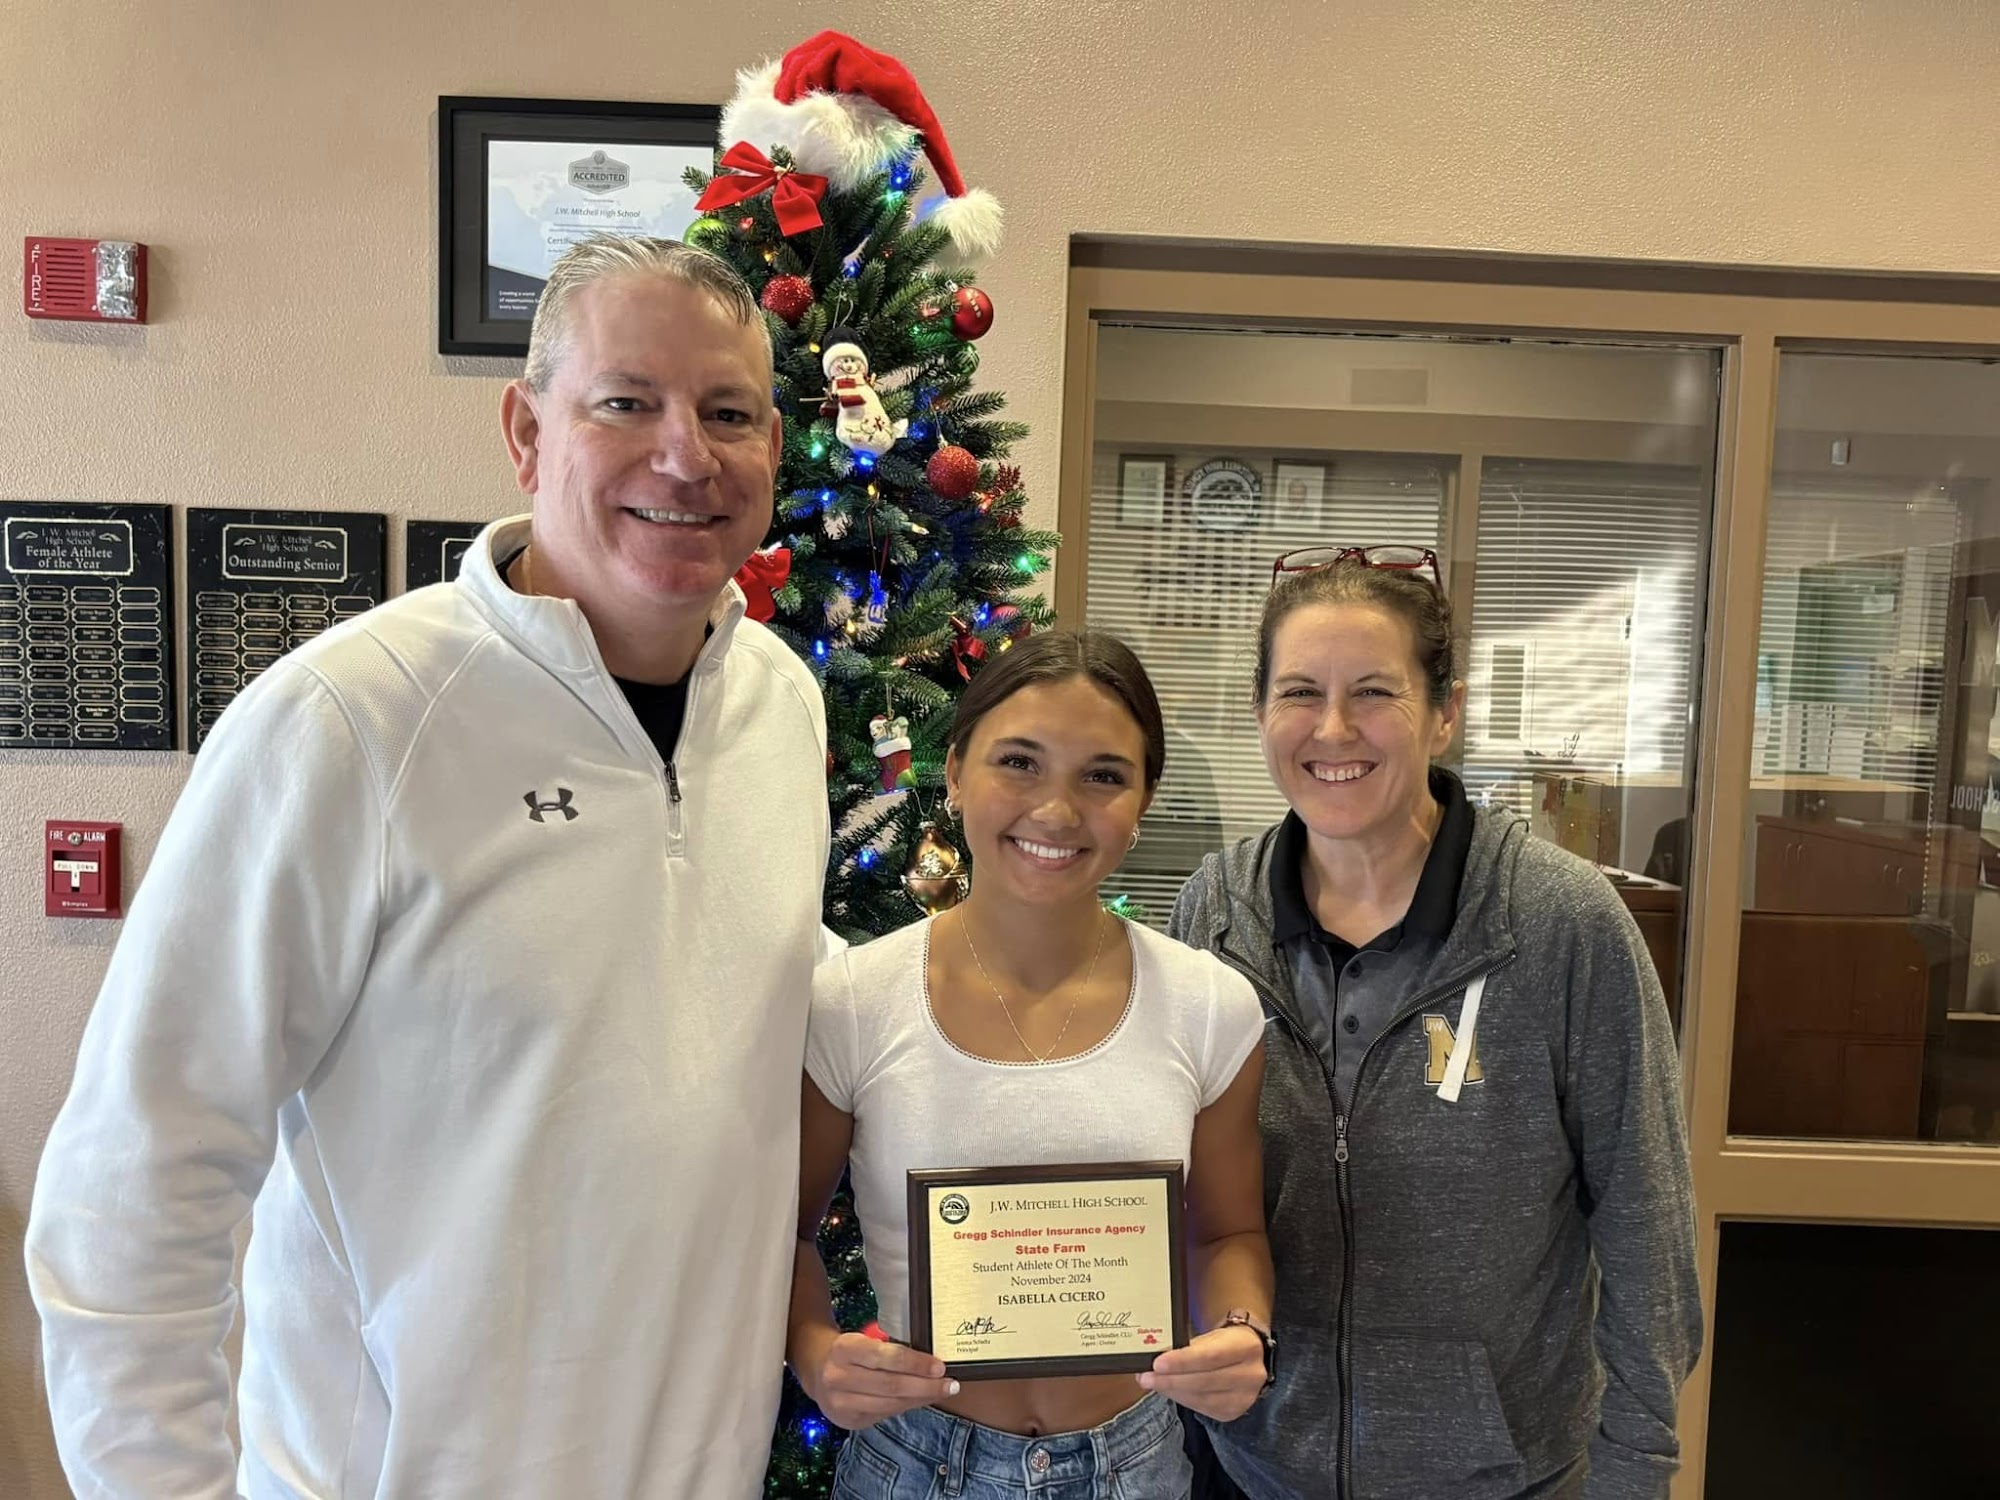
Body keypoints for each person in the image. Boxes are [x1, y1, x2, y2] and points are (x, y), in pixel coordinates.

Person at [25, 235, 832, 1500]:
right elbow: (138, 1172)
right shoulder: (348, 721)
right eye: (626, 402)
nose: (685, 455)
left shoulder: (781, 707)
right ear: (527, 432)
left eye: (726, 413)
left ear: (773, 449)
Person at [1171, 547, 1702, 1500]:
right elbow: (1175, 1188)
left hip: (1501, 1474)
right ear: (1260, 711)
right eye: (1299, 692)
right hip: (1252, 1466)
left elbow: (1646, 1226)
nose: (1333, 728)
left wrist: (1635, 1472)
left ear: (1445, 711)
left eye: (1374, 692)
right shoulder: (1216, 912)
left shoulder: (1558, 922)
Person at [789, 630, 1274, 1500]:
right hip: (914, 1464)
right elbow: (782, 1233)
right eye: (1019, 762)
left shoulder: (1210, 1006)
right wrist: (816, 1351)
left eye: (1104, 775)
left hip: (1135, 1465)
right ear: (955, 772)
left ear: (1143, 799)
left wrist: (1243, 1330)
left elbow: (1226, 1233)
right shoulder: (852, 1000)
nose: (1056, 810)